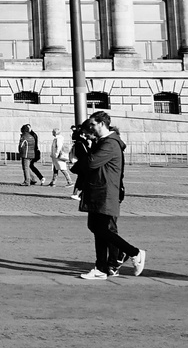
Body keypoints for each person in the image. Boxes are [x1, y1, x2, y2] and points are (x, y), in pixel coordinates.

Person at [73, 112, 144, 280]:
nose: (90, 128)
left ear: (102, 123)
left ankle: (133, 252)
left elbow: (90, 163)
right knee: (95, 228)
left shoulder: (110, 144)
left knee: (101, 229)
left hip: (105, 191)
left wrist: (82, 147)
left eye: (93, 124)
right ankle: (101, 268)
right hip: (97, 189)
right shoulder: (103, 142)